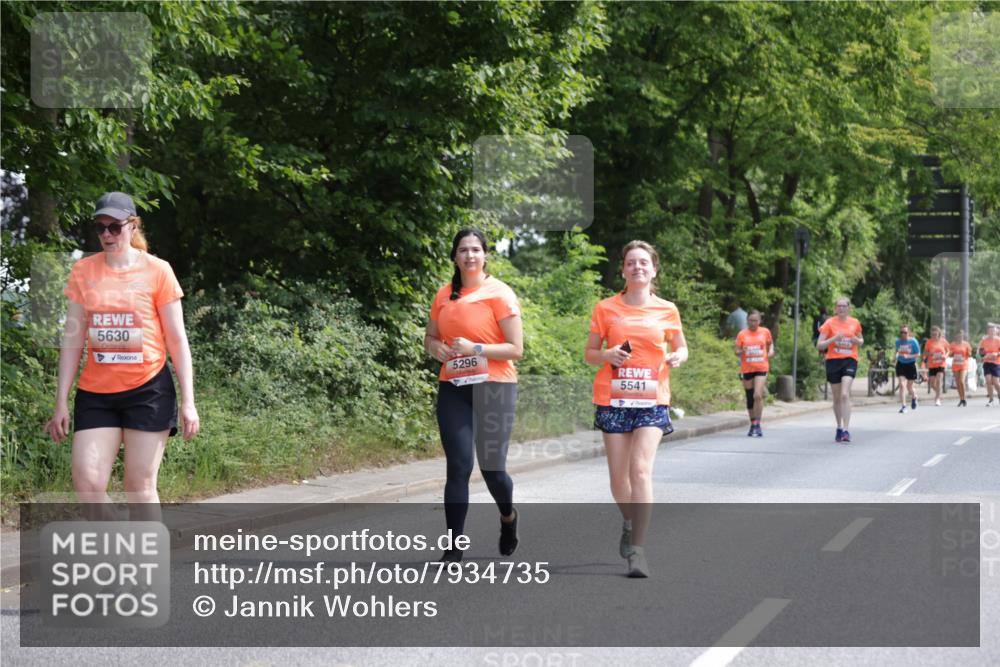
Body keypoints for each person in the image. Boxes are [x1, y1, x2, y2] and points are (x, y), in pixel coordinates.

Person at [44, 192, 200, 514]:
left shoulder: (158, 271)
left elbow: (177, 339)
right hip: (96, 393)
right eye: (100, 228)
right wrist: (60, 400)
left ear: (132, 226)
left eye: (114, 227)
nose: (106, 235)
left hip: (148, 389)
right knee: (87, 486)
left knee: (138, 488)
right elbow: (72, 340)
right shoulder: (84, 271)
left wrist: (189, 402)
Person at [585, 240, 688, 578]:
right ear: (624, 270)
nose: (638, 267)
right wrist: (607, 354)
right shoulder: (605, 308)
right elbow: (590, 353)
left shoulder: (667, 310)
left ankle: (638, 551)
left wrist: (677, 356)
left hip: (652, 398)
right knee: (619, 481)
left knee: (640, 470)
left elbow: (681, 347)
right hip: (613, 397)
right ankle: (629, 523)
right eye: (631, 262)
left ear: (653, 269)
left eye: (644, 262)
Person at [424, 229, 523, 562]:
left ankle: (508, 518)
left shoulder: (500, 293)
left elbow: (515, 349)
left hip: (495, 387)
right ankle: (454, 548)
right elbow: (431, 338)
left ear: (485, 255)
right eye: (463, 250)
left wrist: (475, 347)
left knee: (493, 470)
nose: (470, 256)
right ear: (455, 256)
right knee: (459, 466)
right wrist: (437, 348)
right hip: (454, 387)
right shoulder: (443, 295)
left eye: (476, 250)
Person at [816, 297, 863, 443]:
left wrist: (857, 341)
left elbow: (861, 340)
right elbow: (819, 345)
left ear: (849, 308)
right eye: (839, 306)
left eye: (844, 306)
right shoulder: (829, 323)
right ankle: (838, 427)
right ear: (835, 308)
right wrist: (834, 338)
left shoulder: (855, 322)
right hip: (833, 361)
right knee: (836, 398)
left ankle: (846, 430)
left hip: (850, 360)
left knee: (844, 394)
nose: (841, 308)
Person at [734, 310, 775, 436]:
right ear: (747, 320)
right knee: (750, 396)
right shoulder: (742, 334)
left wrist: (771, 352)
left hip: (761, 367)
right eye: (751, 320)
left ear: (760, 321)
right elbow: (736, 351)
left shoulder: (765, 332)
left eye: (755, 320)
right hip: (747, 368)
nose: (753, 323)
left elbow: (771, 344)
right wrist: (742, 351)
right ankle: (752, 424)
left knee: (758, 395)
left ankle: (758, 423)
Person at [894, 325, 920, 413]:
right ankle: (903, 406)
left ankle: (914, 397)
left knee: (909, 387)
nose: (903, 334)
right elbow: (897, 351)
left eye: (905, 332)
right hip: (901, 364)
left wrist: (909, 356)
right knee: (902, 385)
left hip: (911, 365)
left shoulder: (913, 341)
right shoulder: (898, 341)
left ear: (908, 333)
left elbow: (918, 354)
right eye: (901, 332)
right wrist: (896, 355)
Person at [923, 326, 949, 407]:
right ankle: (939, 394)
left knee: (938, 381)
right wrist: (930, 353)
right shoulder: (929, 342)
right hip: (932, 364)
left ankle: (937, 399)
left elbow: (948, 350)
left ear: (938, 333)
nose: (934, 335)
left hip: (941, 364)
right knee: (932, 384)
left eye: (935, 334)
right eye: (932, 334)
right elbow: (925, 353)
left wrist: (945, 356)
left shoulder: (943, 341)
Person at [950, 331, 972, 407]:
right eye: (958, 336)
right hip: (955, 364)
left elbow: (969, 354)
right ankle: (961, 399)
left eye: (961, 336)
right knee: (957, 383)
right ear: (956, 336)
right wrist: (952, 354)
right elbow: (950, 354)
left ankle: (964, 398)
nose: (960, 337)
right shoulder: (953, 344)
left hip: (963, 364)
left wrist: (968, 353)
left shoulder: (966, 344)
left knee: (961, 381)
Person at [980, 323, 1000, 407]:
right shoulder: (984, 340)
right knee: (988, 380)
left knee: (996, 382)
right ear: (987, 332)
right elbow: (981, 351)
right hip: (987, 362)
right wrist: (984, 355)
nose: (991, 332)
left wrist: (996, 354)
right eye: (990, 331)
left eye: (993, 331)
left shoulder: (998, 340)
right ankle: (991, 399)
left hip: (996, 363)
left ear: (996, 332)